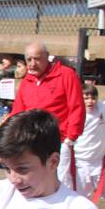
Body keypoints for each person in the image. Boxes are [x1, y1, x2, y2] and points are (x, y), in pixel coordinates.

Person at [10, 42, 86, 185]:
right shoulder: (27, 81)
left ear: (47, 57)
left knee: (62, 182)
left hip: (59, 142)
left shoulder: (66, 75)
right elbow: (18, 111)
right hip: (32, 142)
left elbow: (77, 107)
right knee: (35, 182)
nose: (32, 64)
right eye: (29, 60)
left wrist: (70, 138)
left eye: (37, 59)